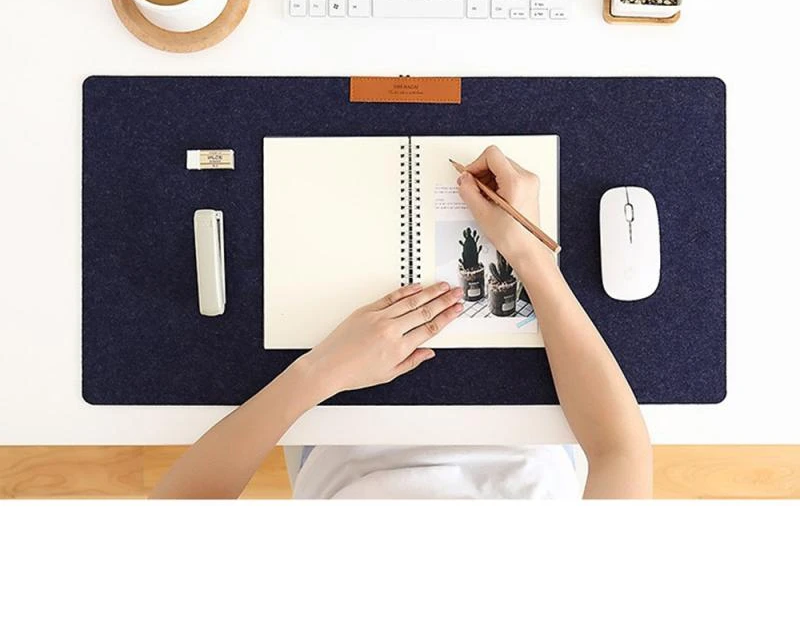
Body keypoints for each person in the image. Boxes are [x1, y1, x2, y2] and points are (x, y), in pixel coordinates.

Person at [151, 146, 652, 499]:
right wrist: (529, 254)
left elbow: (182, 501)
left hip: (334, 438)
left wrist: (322, 370)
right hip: (537, 447)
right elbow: (621, 452)